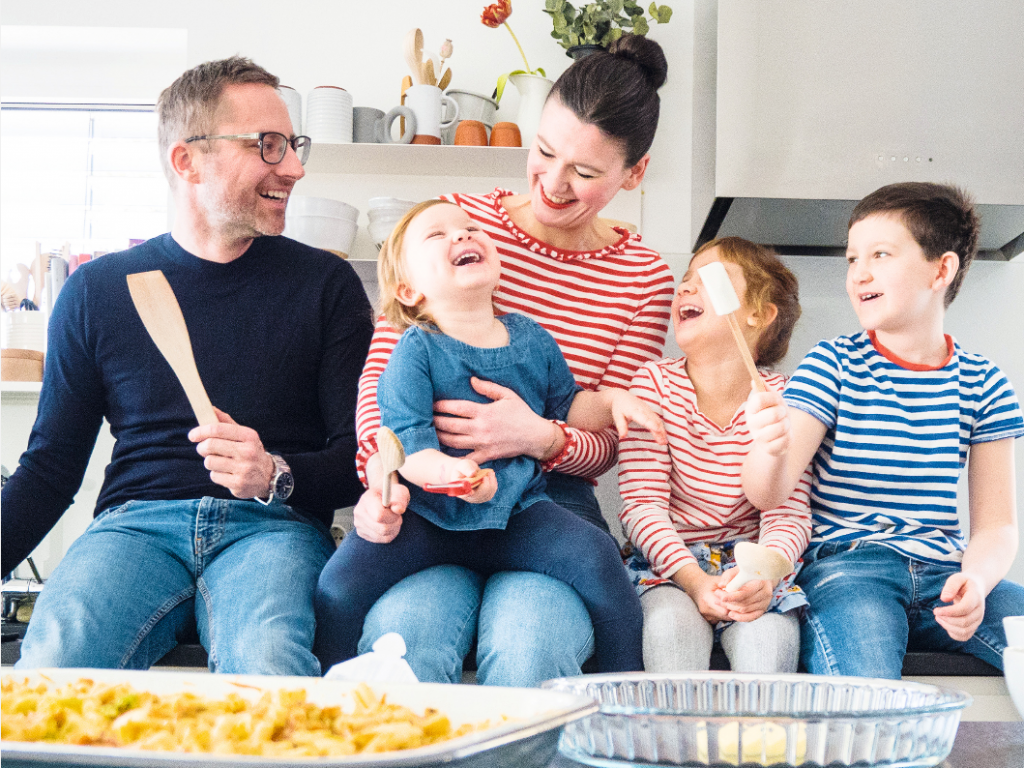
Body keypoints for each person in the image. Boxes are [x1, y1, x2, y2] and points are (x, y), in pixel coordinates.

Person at [0, 56, 374, 675]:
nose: (296, 167)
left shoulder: (325, 285)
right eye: (270, 146)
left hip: (274, 531)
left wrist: (274, 472)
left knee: (270, 666)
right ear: (187, 160)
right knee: (54, 664)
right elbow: (49, 470)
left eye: (293, 145)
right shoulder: (98, 291)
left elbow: (357, 461)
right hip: (133, 529)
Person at [350, 34, 676, 685]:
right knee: (407, 644)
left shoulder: (643, 277)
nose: (554, 184)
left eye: (584, 173)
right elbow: (382, 378)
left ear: (633, 174)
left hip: (550, 511)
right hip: (431, 503)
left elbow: (610, 441)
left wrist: (541, 436)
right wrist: (383, 475)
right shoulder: (458, 224)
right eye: (545, 152)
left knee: (528, 648)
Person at [315, 200, 667, 673]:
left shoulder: (531, 338)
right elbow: (406, 450)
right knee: (336, 587)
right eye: (437, 236)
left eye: (470, 228)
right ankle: (325, 705)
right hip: (426, 519)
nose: (462, 236)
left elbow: (569, 407)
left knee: (601, 558)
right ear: (408, 289)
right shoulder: (413, 351)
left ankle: (623, 701)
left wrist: (612, 402)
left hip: (518, 512)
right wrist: (453, 473)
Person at [743, 182, 1024, 678]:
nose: (859, 273)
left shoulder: (984, 382)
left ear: (942, 269)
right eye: (852, 259)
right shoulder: (832, 364)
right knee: (867, 693)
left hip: (947, 572)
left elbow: (997, 526)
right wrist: (766, 447)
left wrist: (977, 582)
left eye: (880, 254)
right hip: (849, 571)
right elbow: (768, 493)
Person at [619, 237, 812, 674]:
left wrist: (764, 576)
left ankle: (755, 744)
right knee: (669, 628)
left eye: (708, 279)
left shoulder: (785, 402)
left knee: (770, 642)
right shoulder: (652, 385)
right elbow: (642, 505)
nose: (686, 288)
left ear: (758, 315)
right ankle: (676, 743)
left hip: (754, 568)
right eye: (685, 280)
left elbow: (789, 515)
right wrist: (695, 580)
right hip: (669, 567)